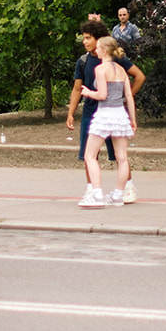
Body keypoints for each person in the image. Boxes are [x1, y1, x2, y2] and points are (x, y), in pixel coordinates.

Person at [66, 23, 145, 203]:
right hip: (93, 112)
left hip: (106, 112)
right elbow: (77, 88)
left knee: (109, 155)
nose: (84, 41)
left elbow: (139, 76)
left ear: (99, 41)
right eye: (84, 38)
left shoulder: (114, 61)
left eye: (88, 38)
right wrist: (71, 112)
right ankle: (94, 189)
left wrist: (120, 98)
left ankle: (122, 188)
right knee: (96, 154)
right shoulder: (83, 61)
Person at [78, 37, 136, 207]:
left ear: (104, 51)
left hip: (104, 114)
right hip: (120, 114)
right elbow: (129, 96)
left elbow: (102, 95)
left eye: (97, 48)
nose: (95, 50)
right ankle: (118, 194)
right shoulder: (121, 70)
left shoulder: (100, 69)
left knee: (90, 155)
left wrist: (88, 92)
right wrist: (132, 119)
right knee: (122, 158)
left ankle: (97, 195)